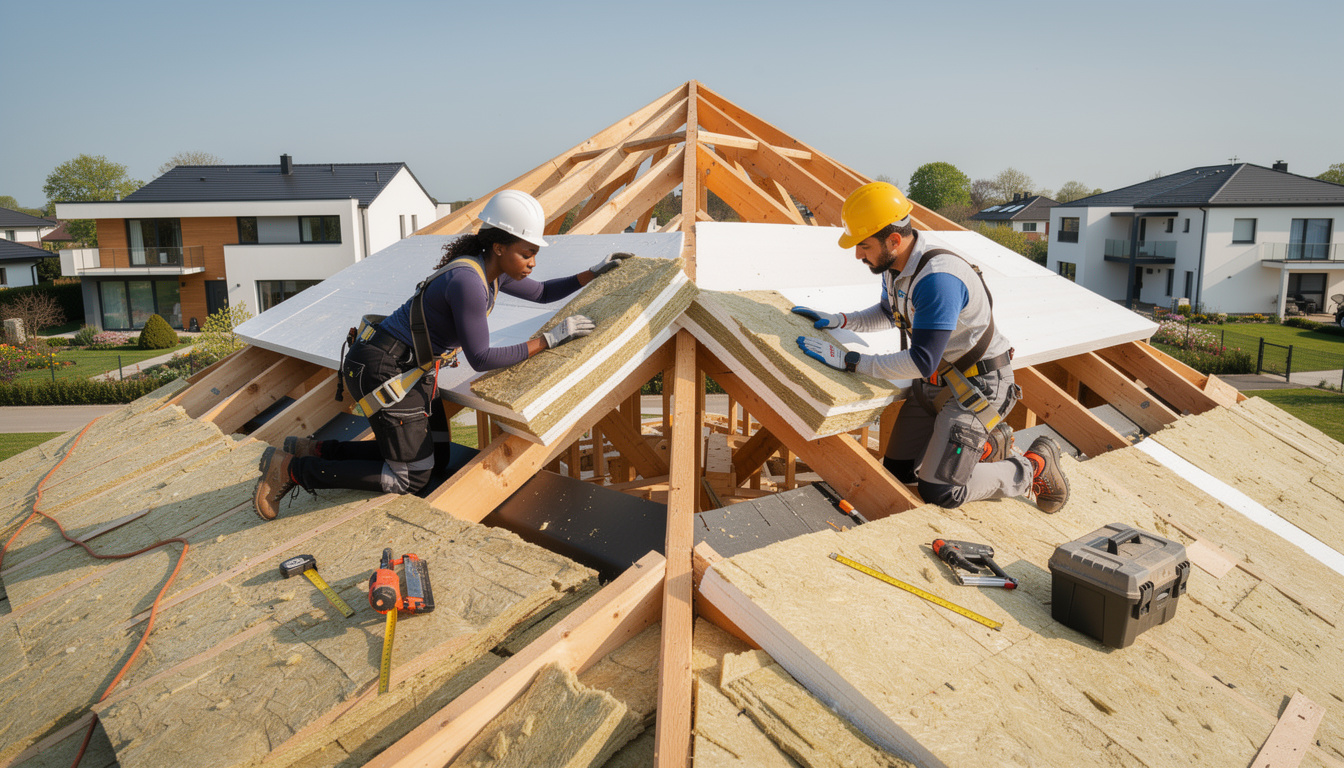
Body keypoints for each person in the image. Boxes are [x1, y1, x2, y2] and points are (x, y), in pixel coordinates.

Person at [254, 190, 632, 520]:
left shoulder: (490, 271)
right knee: (410, 477)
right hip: (385, 370)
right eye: (527, 253)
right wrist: (549, 340)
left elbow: (543, 292)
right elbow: (481, 358)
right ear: (499, 247)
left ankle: (315, 449)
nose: (533, 262)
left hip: (402, 367)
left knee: (436, 455)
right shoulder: (468, 282)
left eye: (534, 253)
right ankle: (293, 470)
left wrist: (593, 272)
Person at [792, 181, 1068, 513]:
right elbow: (889, 312)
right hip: (934, 384)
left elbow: (922, 360)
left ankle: (1033, 466)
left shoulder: (938, 280)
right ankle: (983, 447)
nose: (858, 255)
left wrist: (852, 361)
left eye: (863, 246)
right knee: (897, 474)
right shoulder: (895, 267)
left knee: (941, 490)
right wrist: (841, 320)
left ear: (894, 240)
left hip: (977, 388)